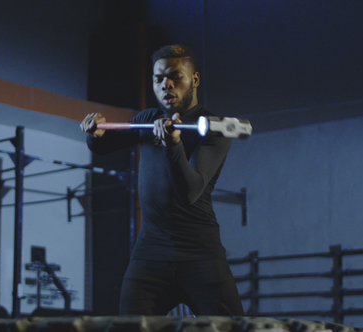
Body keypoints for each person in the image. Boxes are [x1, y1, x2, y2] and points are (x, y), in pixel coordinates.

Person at [80, 45, 244, 316]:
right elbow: (103, 145)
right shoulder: (149, 119)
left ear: (194, 79)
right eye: (158, 79)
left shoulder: (213, 129)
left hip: (200, 254)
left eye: (175, 76)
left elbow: (189, 191)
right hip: (150, 253)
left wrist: (172, 145)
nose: (166, 84)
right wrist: (94, 132)